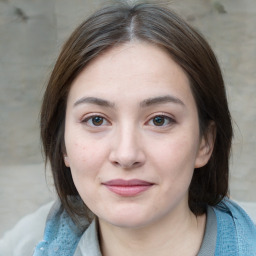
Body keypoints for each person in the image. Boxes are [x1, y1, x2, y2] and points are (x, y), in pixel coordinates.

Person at [32, 2, 256, 255]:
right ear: (63, 143)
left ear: (205, 142)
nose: (126, 155)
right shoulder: (25, 242)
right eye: (96, 120)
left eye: (159, 120)